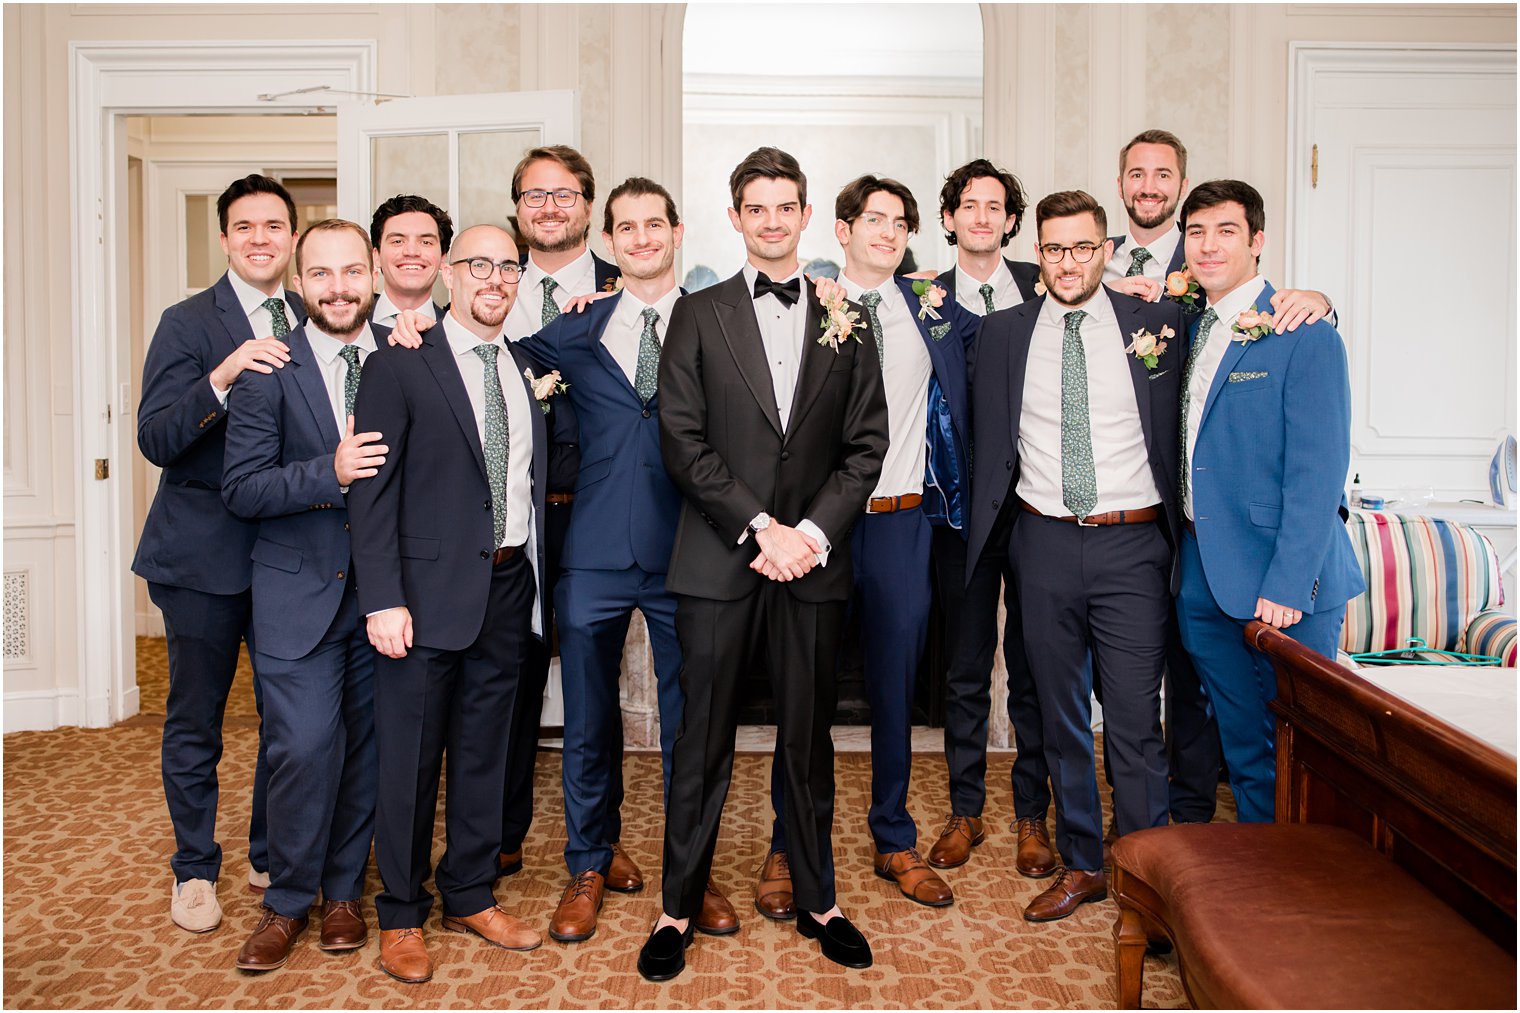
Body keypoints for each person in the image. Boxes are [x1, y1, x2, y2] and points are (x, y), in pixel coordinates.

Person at [637, 147, 888, 981]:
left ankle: (822, 899)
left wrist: (807, 534)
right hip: (718, 559)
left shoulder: (846, 314)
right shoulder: (697, 313)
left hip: (813, 563)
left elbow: (866, 446)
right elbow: (682, 439)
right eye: (758, 207)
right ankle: (678, 905)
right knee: (700, 741)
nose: (773, 220)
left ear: (807, 216)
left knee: (808, 739)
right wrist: (760, 528)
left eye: (788, 206)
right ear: (737, 216)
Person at [514, 177, 738, 942]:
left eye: (654, 224)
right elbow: (488, 354)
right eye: (625, 227)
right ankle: (589, 860)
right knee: (587, 717)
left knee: (692, 724)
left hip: (694, 552)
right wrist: (411, 325)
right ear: (607, 242)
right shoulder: (575, 328)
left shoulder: (718, 321)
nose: (640, 238)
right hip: (596, 554)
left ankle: (692, 871)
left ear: (677, 232)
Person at [965, 190, 1186, 923]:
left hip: (1132, 543)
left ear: (1106, 250)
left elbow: (1240, 326)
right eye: (1054, 249)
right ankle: (1085, 862)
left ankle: (1148, 878)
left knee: (1133, 722)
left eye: (1083, 247)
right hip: (1044, 540)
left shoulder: (1158, 322)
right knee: (1058, 719)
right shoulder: (1001, 333)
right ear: (1038, 254)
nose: (1068, 262)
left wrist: (1314, 301)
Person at [348, 224, 548, 983]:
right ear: (449, 275)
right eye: (478, 265)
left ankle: (469, 888)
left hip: (505, 588)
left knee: (483, 752)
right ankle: (401, 910)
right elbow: (371, 493)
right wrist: (383, 599)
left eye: (507, 265)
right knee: (409, 759)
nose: (493, 278)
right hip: (421, 597)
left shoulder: (527, 364)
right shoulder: (399, 364)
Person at [773, 173, 975, 907]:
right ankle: (784, 845)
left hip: (900, 522)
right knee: (804, 693)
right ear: (843, 229)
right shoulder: (808, 304)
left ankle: (894, 836)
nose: (887, 233)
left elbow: (1020, 332)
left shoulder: (933, 308)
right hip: (821, 527)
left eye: (900, 223)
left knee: (895, 691)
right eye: (874, 220)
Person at [134, 173, 299, 933]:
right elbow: (158, 438)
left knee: (286, 716)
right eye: (246, 226)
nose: (261, 237)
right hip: (200, 560)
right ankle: (194, 868)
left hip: (285, 557)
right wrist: (224, 376)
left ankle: (268, 848)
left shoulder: (312, 315)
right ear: (226, 238)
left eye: (274, 224)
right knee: (196, 718)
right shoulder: (187, 321)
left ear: (291, 236)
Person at [221, 219, 385, 970]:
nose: (339, 287)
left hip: (387, 598)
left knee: (365, 750)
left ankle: (346, 890)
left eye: (352, 271)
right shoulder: (267, 370)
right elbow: (242, 488)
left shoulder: (405, 355)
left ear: (376, 274)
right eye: (322, 274)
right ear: (299, 283)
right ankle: (288, 899)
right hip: (297, 595)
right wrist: (332, 471)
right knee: (304, 747)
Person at [1174, 179, 1364, 823]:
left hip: (1286, 581)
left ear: (1257, 241)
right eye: (1196, 232)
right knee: (1245, 746)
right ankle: (1266, 875)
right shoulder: (1193, 328)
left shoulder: (1304, 332)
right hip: (1203, 575)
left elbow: (1318, 472)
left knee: (1302, 748)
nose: (1208, 245)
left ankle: (1310, 897)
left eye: (1226, 231)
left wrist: (1288, 583)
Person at [927, 159, 1056, 878]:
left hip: (1037, 507)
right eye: (967, 205)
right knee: (966, 667)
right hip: (959, 515)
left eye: (995, 206)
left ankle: (1031, 815)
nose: (981, 216)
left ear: (1012, 221)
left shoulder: (1048, 290)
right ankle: (965, 810)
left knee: (1036, 667)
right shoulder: (921, 297)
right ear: (949, 218)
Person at [500, 146, 615, 884]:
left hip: (600, 513)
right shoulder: (485, 286)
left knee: (592, 687)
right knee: (506, 679)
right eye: (534, 195)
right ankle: (501, 833)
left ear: (588, 205)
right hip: (510, 515)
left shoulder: (628, 289)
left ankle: (601, 839)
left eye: (563, 194)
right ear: (516, 208)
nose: (549, 207)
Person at [368, 194, 451, 326]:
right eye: (398, 241)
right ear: (376, 255)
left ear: (442, 258)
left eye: (425, 242)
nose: (411, 252)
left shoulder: (452, 332)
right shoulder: (349, 324)